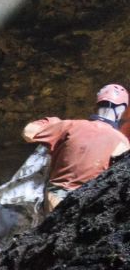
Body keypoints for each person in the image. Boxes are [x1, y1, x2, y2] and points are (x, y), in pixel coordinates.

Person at [22, 83, 130, 212]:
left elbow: (28, 133)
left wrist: (51, 122)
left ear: (97, 103)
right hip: (91, 201)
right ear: (121, 110)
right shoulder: (121, 142)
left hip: (56, 197)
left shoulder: (68, 126)